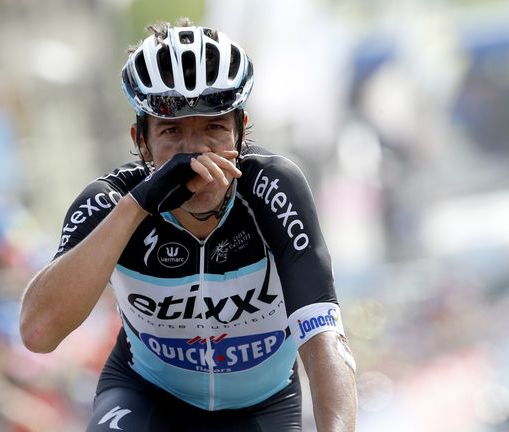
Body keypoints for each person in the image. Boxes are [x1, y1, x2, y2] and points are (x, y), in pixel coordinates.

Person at [20, 18, 357, 432]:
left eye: (214, 127)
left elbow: (324, 341)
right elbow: (38, 333)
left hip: (260, 408)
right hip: (146, 396)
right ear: (140, 139)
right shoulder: (110, 202)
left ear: (242, 129)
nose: (195, 152)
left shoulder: (273, 189)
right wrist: (137, 207)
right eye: (171, 131)